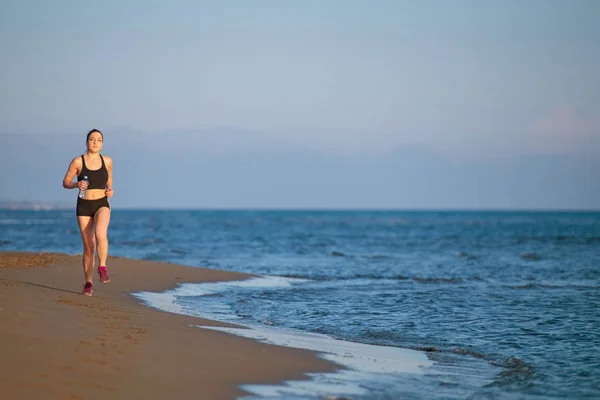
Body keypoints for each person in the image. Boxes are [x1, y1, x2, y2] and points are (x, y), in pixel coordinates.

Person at [62, 129, 114, 296]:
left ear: (102, 143)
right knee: (88, 247)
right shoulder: (78, 161)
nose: (95, 142)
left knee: (100, 233)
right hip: (83, 205)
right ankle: (88, 283)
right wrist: (76, 185)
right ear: (86, 142)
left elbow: (110, 183)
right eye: (92, 139)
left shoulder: (107, 161)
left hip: (101, 203)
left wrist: (110, 191)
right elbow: (66, 182)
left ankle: (103, 267)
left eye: (98, 140)